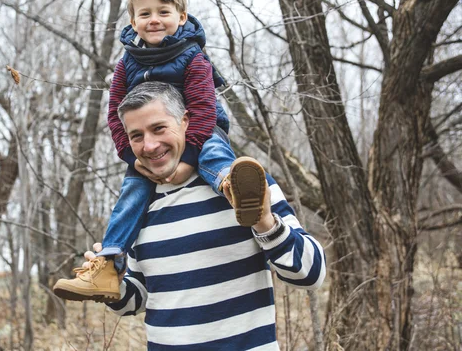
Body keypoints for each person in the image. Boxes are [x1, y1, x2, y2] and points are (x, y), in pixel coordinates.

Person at [54, 0, 267, 302]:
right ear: (133, 20)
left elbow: (203, 108)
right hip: (153, 147)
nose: (154, 20)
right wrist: (133, 157)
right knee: (131, 192)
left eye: (163, 12)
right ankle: (109, 266)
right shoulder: (127, 64)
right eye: (145, 13)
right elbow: (115, 115)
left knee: (214, 151)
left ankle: (235, 189)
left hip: (199, 131)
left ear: (181, 17)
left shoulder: (193, 57)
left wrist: (186, 161)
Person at [75, 82, 326, 350]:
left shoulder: (242, 183)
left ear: (185, 121)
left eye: (159, 128)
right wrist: (115, 285)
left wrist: (265, 222)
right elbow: (136, 301)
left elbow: (312, 274)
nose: (149, 145)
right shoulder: (138, 205)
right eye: (136, 136)